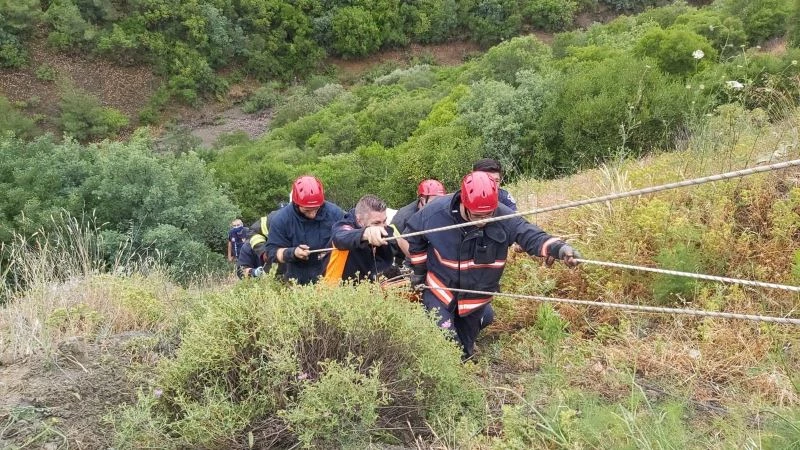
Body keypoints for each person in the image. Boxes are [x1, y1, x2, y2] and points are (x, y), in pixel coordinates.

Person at [405, 171, 581, 360]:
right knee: (447, 344)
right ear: (464, 202)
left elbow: (529, 234)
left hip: (475, 298)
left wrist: (558, 248)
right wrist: (419, 270)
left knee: (464, 352)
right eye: (478, 215)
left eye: (488, 214)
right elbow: (415, 236)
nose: (484, 220)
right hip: (440, 289)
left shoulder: (502, 216)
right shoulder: (436, 213)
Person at [265, 176, 344, 285]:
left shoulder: (335, 213)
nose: (312, 214)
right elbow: (272, 253)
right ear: (296, 203)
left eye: (316, 209)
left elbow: (348, 236)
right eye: (307, 210)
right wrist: (293, 253)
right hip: (297, 281)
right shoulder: (281, 219)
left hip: (332, 277)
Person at [323, 194, 402, 284]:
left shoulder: (386, 229)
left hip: (369, 287)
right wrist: (365, 233)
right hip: (336, 287)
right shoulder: (345, 226)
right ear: (359, 220)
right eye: (376, 223)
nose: (382, 227)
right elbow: (340, 237)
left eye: (384, 221)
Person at [390, 179, 446, 266]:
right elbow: (393, 244)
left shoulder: (440, 210)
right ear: (423, 200)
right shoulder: (403, 217)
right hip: (404, 259)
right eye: (435, 201)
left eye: (441, 200)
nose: (438, 205)